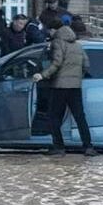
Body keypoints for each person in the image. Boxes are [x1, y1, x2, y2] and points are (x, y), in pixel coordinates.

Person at [34, 18, 96, 157]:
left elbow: (56, 63)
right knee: (80, 117)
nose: (49, 33)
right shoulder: (78, 45)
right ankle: (88, 147)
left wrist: (42, 75)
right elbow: (86, 64)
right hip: (75, 86)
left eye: (49, 30)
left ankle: (59, 147)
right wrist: (77, 76)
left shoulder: (57, 42)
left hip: (60, 86)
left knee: (54, 116)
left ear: (54, 30)